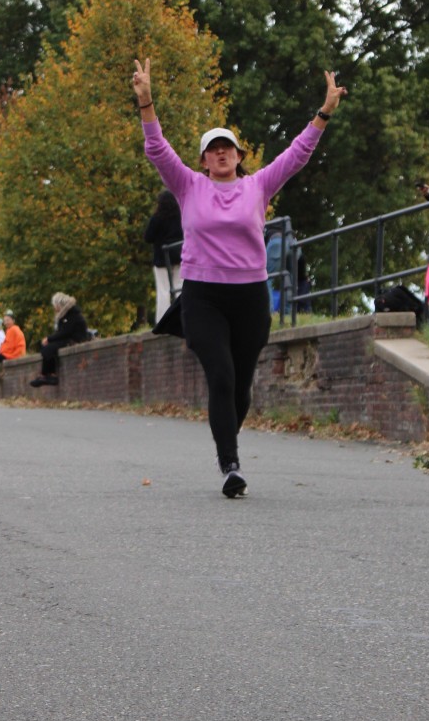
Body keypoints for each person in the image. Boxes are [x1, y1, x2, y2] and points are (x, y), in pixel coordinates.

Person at [132, 55, 346, 498]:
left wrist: (324, 112)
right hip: (203, 297)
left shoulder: (258, 186)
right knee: (222, 375)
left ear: (239, 155)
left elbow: (297, 154)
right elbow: (157, 149)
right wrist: (146, 103)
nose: (221, 152)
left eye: (227, 146)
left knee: (242, 387)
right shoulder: (188, 185)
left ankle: (225, 443)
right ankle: (230, 464)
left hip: (250, 296)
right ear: (204, 159)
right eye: (213, 148)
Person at [30, 293, 91, 386]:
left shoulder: (72, 315)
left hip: (74, 339)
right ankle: (47, 375)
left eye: (55, 305)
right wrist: (49, 339)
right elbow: (61, 332)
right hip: (68, 337)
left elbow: (65, 332)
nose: (54, 308)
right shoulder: (64, 315)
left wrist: (49, 339)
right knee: (45, 347)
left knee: (49, 348)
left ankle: (49, 375)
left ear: (59, 305)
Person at [144, 189, 183, 323]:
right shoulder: (181, 215)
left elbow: (148, 237)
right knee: (179, 288)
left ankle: (162, 321)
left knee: (163, 291)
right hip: (179, 256)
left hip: (162, 259)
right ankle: (181, 318)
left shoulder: (157, 218)